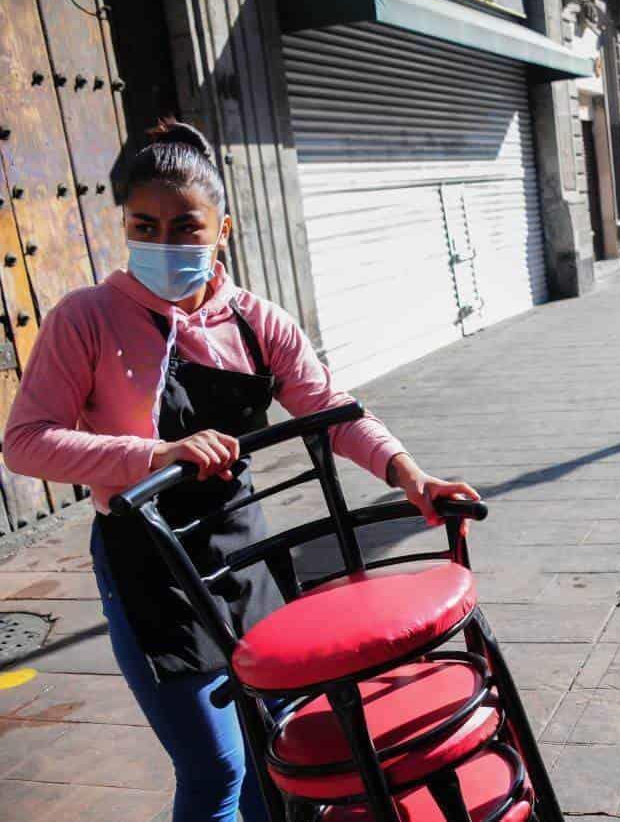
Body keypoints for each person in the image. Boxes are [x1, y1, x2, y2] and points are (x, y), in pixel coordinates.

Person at [2, 120, 480, 822]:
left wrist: (411, 475)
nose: (164, 243)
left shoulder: (256, 321)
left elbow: (330, 409)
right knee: (216, 770)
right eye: (144, 226)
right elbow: (25, 443)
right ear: (124, 226)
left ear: (222, 229)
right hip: (147, 565)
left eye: (185, 226)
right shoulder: (87, 319)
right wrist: (153, 456)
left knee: (279, 747)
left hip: (244, 549)